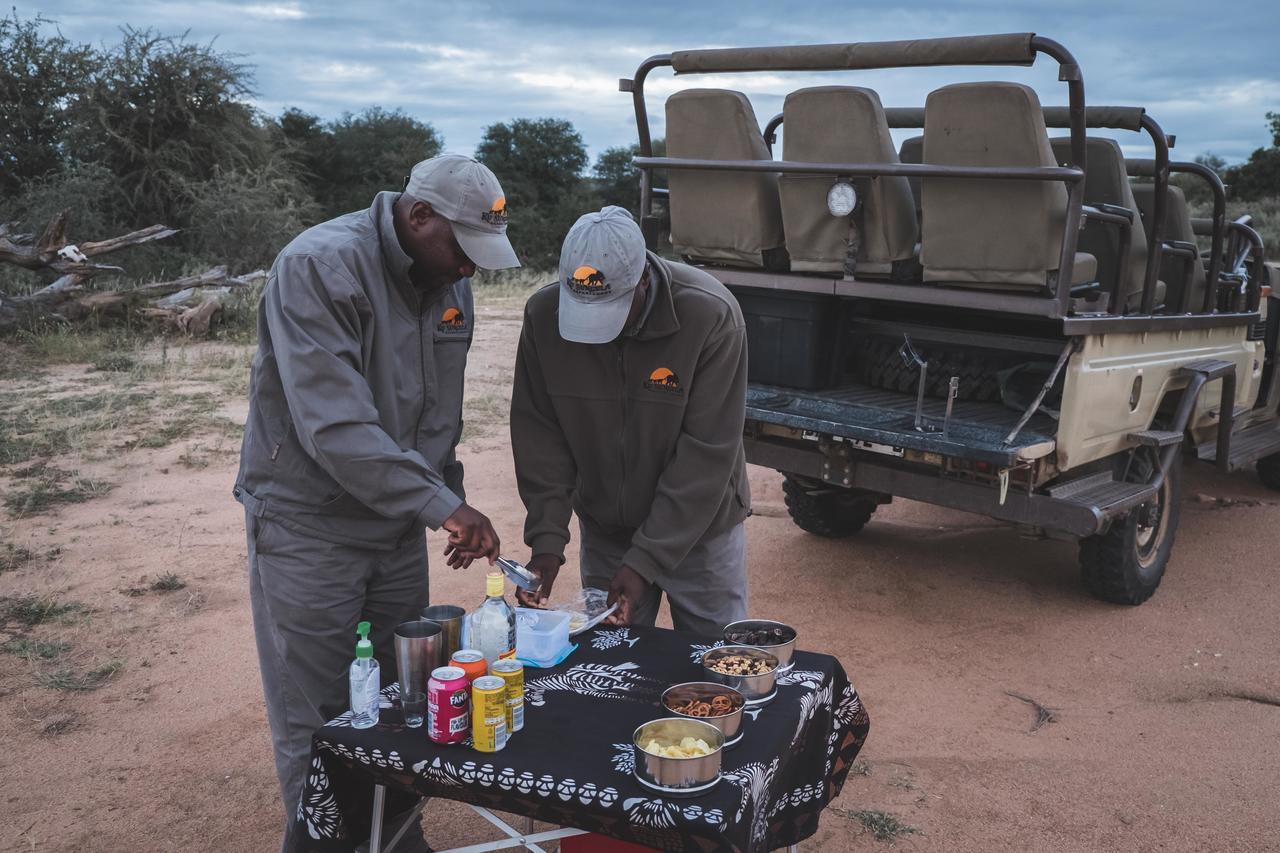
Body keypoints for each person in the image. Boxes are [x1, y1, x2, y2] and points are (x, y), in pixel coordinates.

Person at [234, 153, 516, 850]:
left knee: (401, 697)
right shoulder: (321, 267)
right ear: (419, 217)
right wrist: (440, 505)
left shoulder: (449, 280)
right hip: (309, 524)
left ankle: (392, 835)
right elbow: (335, 425)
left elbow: (436, 413)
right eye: (461, 248)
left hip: (393, 524)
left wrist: (442, 493)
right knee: (321, 712)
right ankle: (322, 841)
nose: (469, 269)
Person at [510, 206, 750, 635]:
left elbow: (707, 454)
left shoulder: (710, 316)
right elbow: (541, 436)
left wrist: (645, 561)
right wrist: (546, 542)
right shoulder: (543, 317)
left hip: (699, 534)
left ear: (643, 277)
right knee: (610, 665)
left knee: (713, 667)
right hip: (607, 530)